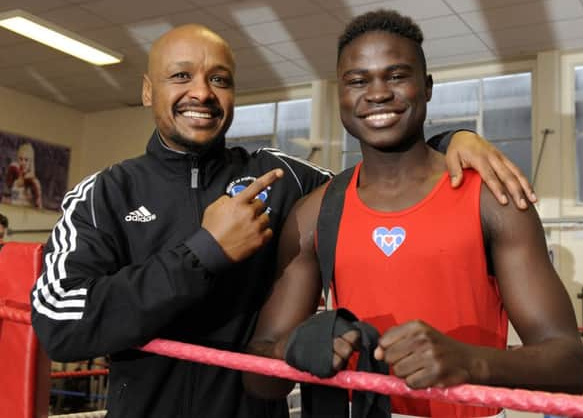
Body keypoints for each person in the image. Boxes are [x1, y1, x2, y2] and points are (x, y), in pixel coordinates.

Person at [30, 23, 536, 418]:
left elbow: (380, 176)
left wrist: (450, 143)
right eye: (180, 76)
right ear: (147, 91)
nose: (201, 93)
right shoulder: (103, 194)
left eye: (219, 79)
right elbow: (60, 324)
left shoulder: (280, 177)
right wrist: (203, 251)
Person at [243, 10, 583, 417]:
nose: (377, 94)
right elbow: (259, 378)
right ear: (341, 95)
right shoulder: (313, 214)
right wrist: (291, 350)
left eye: (395, 76)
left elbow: (569, 365)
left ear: (426, 87)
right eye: (358, 81)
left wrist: (472, 363)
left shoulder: (491, 197)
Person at [5, 142, 43, 209]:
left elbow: (39, 206)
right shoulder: (15, 179)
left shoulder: (34, 182)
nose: (23, 162)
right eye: (21, 159)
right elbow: (14, 200)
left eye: (26, 160)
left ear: (31, 162)